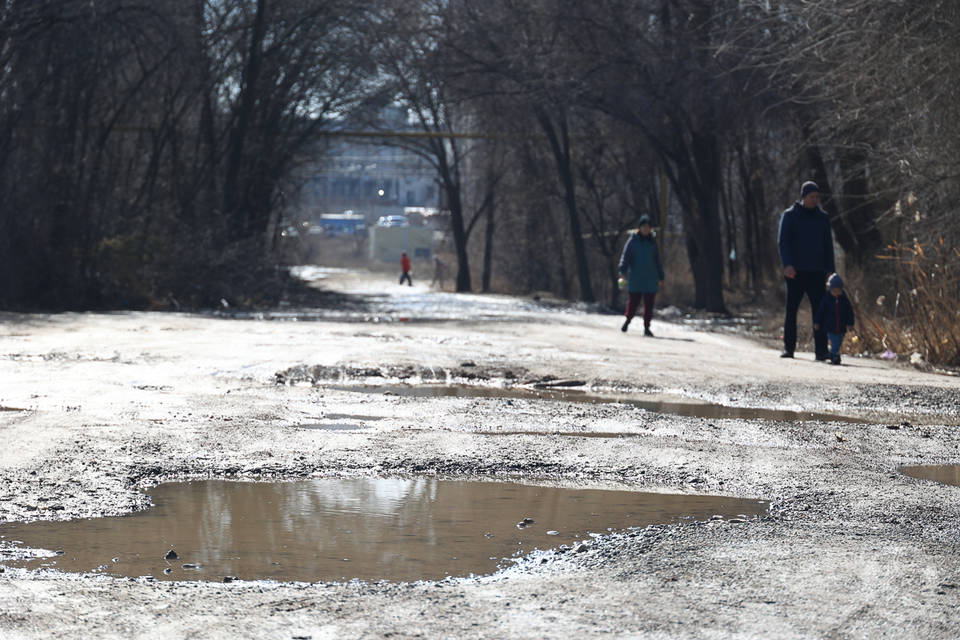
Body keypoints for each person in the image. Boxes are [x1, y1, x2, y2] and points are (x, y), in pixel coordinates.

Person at [778, 181, 835, 360]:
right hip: (795, 272)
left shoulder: (823, 218)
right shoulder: (790, 215)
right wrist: (787, 264)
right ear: (803, 197)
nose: (815, 200)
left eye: (817, 197)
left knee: (820, 312)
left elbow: (828, 246)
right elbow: (783, 242)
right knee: (791, 310)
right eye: (812, 197)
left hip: (817, 272)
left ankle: (821, 351)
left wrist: (830, 270)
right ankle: (789, 348)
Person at [618, 215, 665, 337]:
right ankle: (627, 321)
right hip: (636, 277)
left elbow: (657, 260)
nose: (646, 229)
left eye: (648, 227)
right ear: (640, 227)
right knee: (633, 302)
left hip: (651, 277)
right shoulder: (633, 241)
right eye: (644, 227)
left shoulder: (652, 242)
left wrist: (661, 276)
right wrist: (622, 271)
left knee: (649, 304)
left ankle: (646, 327)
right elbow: (625, 256)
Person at [814, 273, 855, 365]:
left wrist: (850, 323)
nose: (836, 293)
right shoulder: (826, 300)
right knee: (834, 341)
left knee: (839, 341)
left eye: (838, 290)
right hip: (830, 326)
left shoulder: (844, 300)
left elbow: (849, 312)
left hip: (841, 326)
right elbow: (820, 312)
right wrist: (817, 322)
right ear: (830, 289)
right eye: (834, 290)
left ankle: (834, 353)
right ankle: (835, 355)